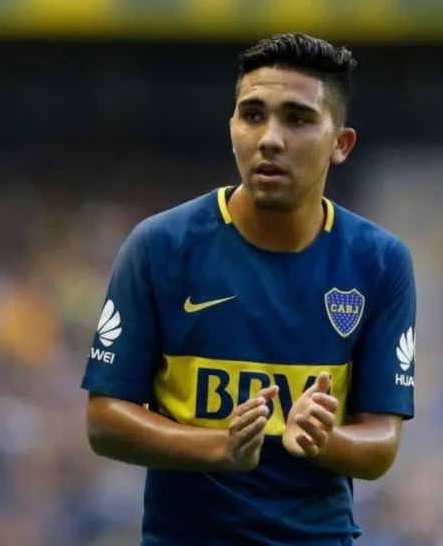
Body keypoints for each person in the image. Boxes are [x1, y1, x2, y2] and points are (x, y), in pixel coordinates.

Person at [80, 33, 417, 545]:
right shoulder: (160, 246)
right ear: (232, 127)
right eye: (253, 115)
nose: (270, 139)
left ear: (340, 144)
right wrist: (222, 447)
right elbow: (105, 422)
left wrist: (324, 439)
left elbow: (382, 443)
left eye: (298, 119)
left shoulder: (380, 262)